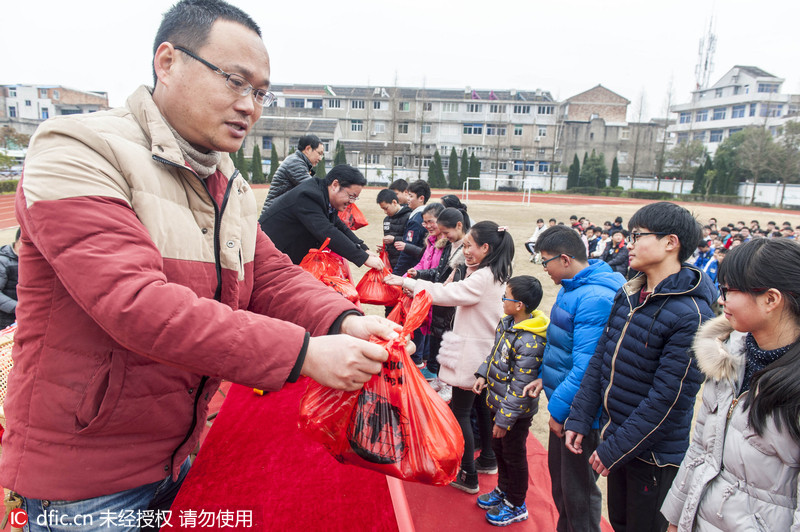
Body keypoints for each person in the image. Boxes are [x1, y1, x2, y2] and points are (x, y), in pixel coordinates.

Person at [0, 1, 399, 526]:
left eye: (260, 92)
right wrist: (305, 353)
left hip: (180, 449)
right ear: (167, 62)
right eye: (235, 81)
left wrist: (344, 319)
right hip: (89, 477)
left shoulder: (224, 180)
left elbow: (271, 276)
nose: (250, 105)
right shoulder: (79, 149)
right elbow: (137, 305)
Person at [564, 202, 717, 532]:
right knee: (619, 522)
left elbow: (669, 400)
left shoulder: (692, 314)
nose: (628, 243)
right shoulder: (630, 293)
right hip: (617, 439)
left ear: (670, 242)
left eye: (637, 235)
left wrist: (615, 448)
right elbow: (600, 360)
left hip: (652, 456)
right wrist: (580, 415)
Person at [661, 238, 800, 531]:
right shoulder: (727, 355)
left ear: (771, 300)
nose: (721, 300)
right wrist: (676, 520)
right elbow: (699, 449)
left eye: (728, 291)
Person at [386, 221, 514, 495]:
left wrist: (408, 282)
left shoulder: (482, 277)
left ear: (486, 248)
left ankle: (468, 473)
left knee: (461, 411)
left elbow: (447, 294)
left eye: (469, 246)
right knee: (480, 408)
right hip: (484, 351)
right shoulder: (496, 271)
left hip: (473, 353)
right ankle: (487, 460)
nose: (465, 251)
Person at [524, 225, 625, 532]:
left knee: (578, 495)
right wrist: (544, 377)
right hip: (568, 406)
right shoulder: (576, 289)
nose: (545, 269)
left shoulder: (594, 297)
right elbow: (564, 348)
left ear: (565, 259)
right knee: (564, 490)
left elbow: (585, 369)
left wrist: (559, 412)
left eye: (546, 261)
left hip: (582, 415)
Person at [473, 275, 549, 527]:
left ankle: (516, 503)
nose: (502, 300)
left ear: (520, 305)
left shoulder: (530, 340)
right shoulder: (507, 323)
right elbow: (495, 354)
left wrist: (504, 421)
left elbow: (519, 387)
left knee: (514, 456)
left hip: (514, 414)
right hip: (497, 402)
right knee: (500, 452)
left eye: (506, 296)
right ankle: (503, 491)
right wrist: (483, 374)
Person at [260, 164, 384, 269]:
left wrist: (364, 249)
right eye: (351, 196)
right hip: (267, 257)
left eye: (355, 198)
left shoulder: (325, 196)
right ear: (335, 185)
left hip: (283, 257)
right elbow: (326, 231)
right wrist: (363, 258)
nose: (352, 202)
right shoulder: (308, 196)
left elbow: (337, 226)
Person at [404, 206, 468, 381]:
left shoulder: (466, 252)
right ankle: (437, 374)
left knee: (447, 343)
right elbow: (438, 272)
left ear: (459, 225)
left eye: (446, 232)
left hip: (448, 303)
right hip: (439, 299)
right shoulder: (448, 246)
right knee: (436, 339)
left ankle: (445, 380)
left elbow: (452, 281)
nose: (444, 236)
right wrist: (419, 275)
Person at [258, 134, 323, 215]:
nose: (320, 158)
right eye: (319, 153)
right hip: (273, 218)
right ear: (308, 149)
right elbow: (313, 189)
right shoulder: (295, 163)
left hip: (278, 214)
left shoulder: (298, 161)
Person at [392, 180, 430, 276]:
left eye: (411, 196)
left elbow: (407, 251)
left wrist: (396, 273)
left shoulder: (416, 219)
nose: (408, 198)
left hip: (413, 268)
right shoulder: (424, 215)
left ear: (421, 198)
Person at [376, 188, 411, 270]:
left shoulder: (409, 217)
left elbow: (412, 241)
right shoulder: (386, 220)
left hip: (405, 262)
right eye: (383, 209)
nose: (385, 212)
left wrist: (394, 239)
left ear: (394, 202)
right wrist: (385, 247)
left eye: (386, 208)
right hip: (391, 262)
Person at [0, 228, 20, 328]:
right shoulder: (2, 261)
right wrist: (19, 308)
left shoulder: (34, 260)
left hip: (25, 314)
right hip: (6, 318)